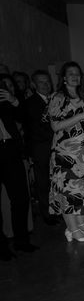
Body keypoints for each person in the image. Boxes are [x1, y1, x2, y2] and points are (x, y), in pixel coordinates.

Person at [48, 62, 84, 242]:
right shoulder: (58, 97)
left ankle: (80, 223)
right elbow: (55, 125)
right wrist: (83, 116)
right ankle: (71, 229)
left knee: (83, 190)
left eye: (77, 73)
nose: (74, 76)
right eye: (70, 73)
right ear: (63, 77)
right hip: (65, 153)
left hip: (83, 152)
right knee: (67, 191)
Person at [0, 74, 37, 260]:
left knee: (21, 198)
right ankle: (1, 247)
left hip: (11, 150)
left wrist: (13, 100)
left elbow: (24, 117)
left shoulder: (10, 101)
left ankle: (22, 241)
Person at [23, 70, 57, 225]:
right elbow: (35, 129)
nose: (45, 85)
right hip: (42, 148)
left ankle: (59, 209)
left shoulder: (56, 98)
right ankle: (47, 213)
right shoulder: (30, 103)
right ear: (33, 84)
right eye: (41, 82)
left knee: (57, 181)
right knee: (43, 182)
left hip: (58, 147)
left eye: (47, 81)